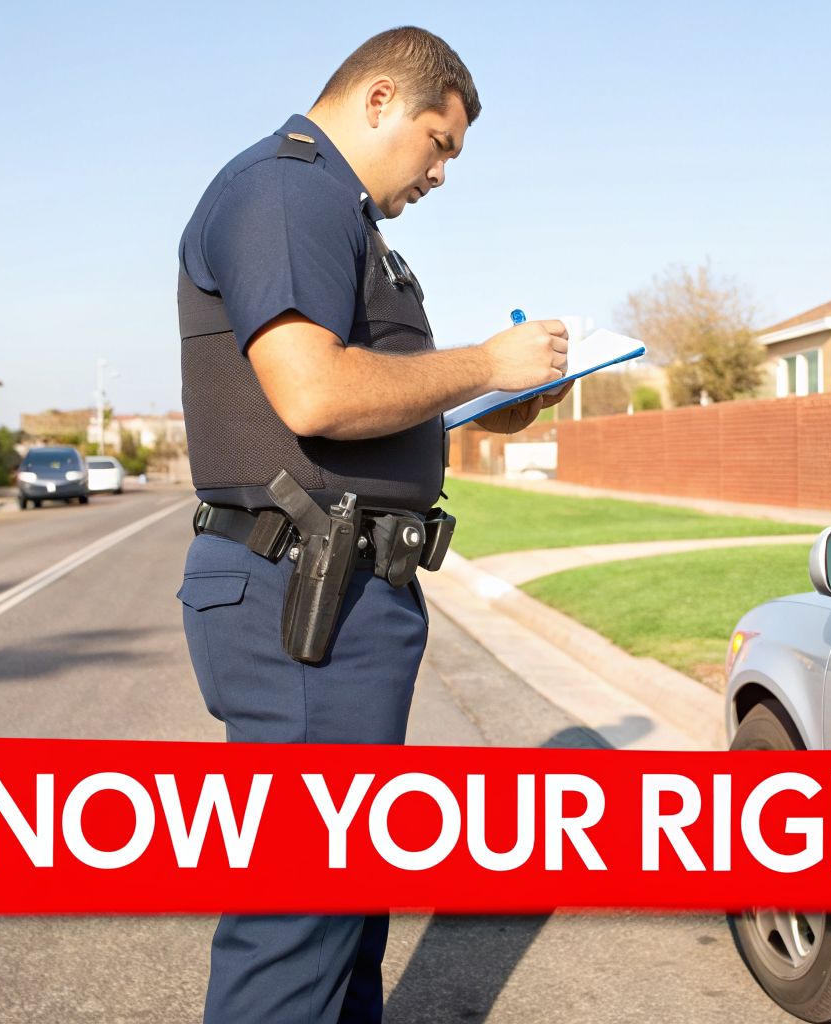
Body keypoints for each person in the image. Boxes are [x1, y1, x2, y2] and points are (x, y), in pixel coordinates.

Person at [174, 27, 570, 1023]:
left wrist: (484, 403)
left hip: (343, 592)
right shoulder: (286, 190)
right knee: (297, 924)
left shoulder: (335, 211)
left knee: (342, 912)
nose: (439, 171)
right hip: (302, 589)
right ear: (382, 98)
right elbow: (312, 392)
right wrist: (485, 362)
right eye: (437, 143)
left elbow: (364, 395)